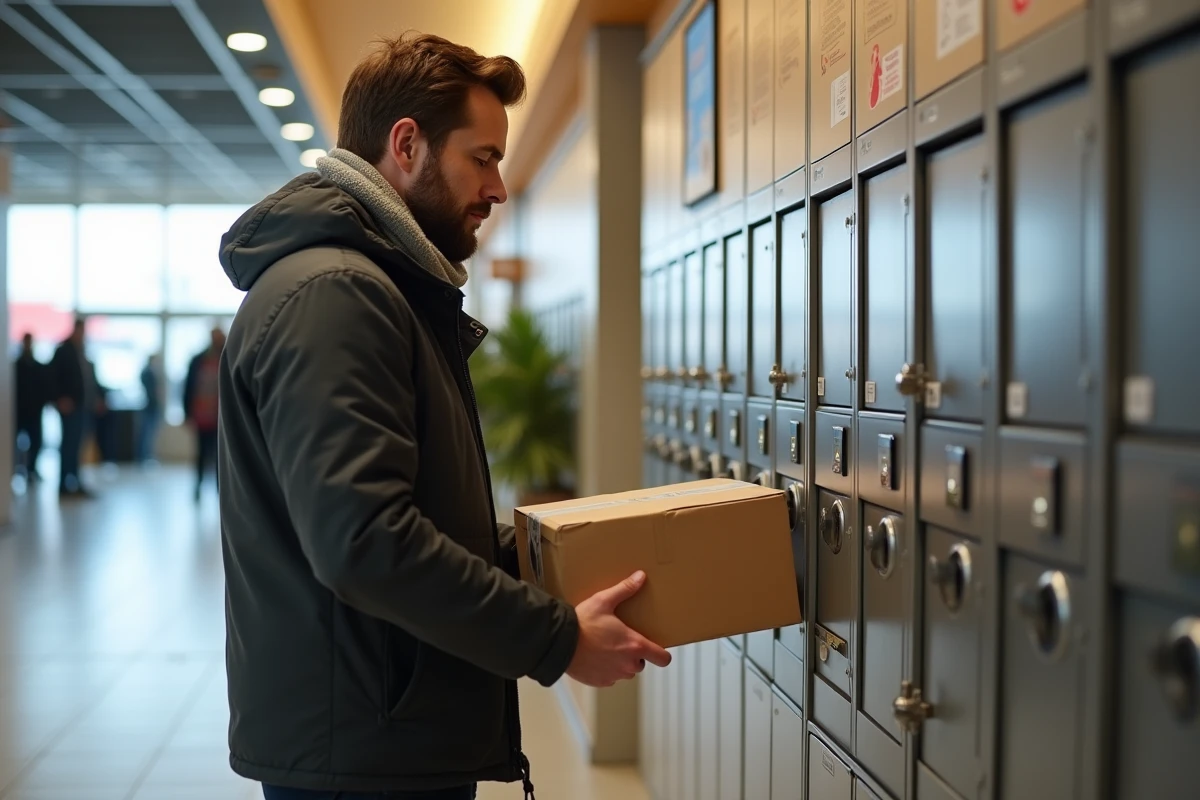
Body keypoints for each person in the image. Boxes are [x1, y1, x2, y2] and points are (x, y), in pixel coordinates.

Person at [216, 32, 671, 800]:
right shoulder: (338, 294)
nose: (499, 188)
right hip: (362, 752)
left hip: (378, 731)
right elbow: (364, 541)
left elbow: (411, 515)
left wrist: (558, 560)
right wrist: (557, 641)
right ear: (406, 145)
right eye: (483, 158)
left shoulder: (377, 287)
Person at [49, 318, 99, 498]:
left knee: (77, 446)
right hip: (70, 408)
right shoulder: (63, 351)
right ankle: (64, 484)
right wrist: (59, 399)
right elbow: (52, 377)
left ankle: (75, 482)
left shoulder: (82, 351)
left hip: (83, 406)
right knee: (68, 445)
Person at [182, 328, 224, 499]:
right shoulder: (198, 360)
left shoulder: (226, 358)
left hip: (220, 418)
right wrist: (187, 413)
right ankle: (198, 486)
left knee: (220, 456)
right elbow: (188, 387)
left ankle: (220, 489)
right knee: (201, 454)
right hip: (201, 417)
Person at [14, 333, 48, 481]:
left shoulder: (37, 366)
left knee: (36, 442)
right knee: (16, 443)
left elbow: (43, 389)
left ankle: (31, 469)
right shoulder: (16, 366)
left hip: (34, 411)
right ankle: (17, 469)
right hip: (19, 411)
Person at [138, 354, 163, 466]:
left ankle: (145, 456)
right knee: (147, 433)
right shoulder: (148, 372)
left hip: (150, 406)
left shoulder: (147, 372)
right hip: (151, 406)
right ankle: (144, 456)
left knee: (148, 433)